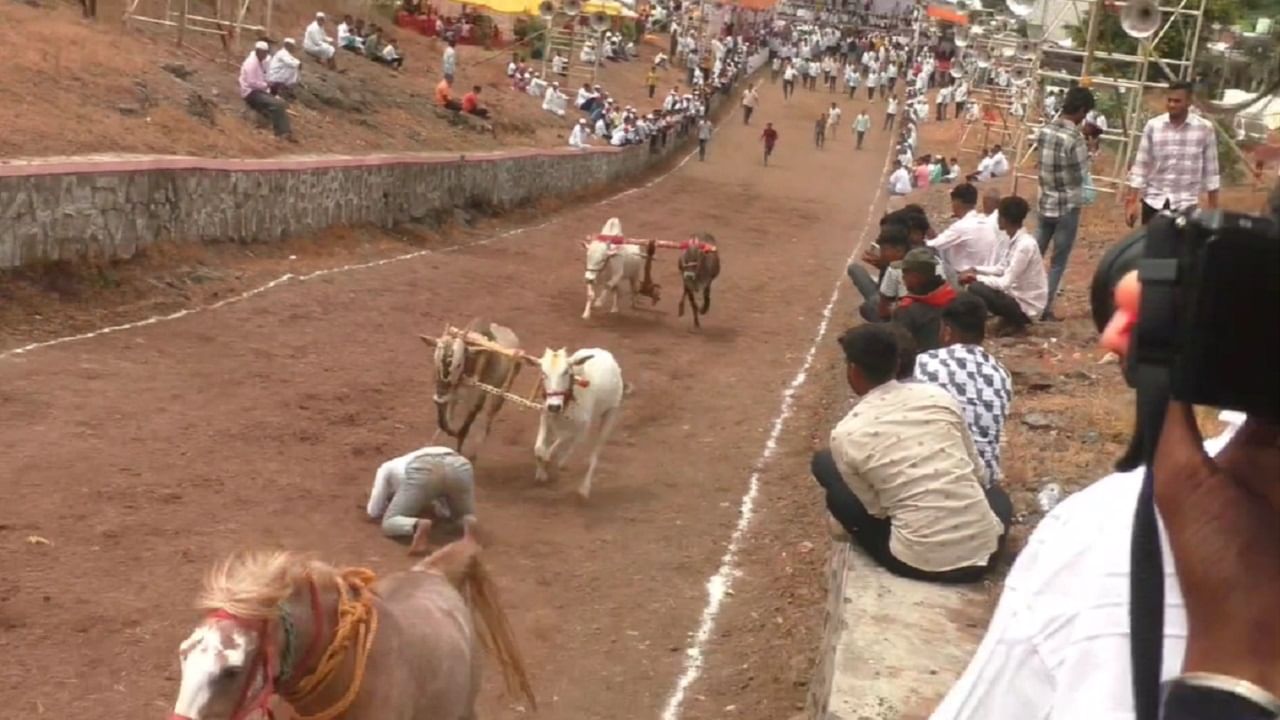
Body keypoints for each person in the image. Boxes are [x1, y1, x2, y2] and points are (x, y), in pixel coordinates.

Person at [811, 324, 1009, 583]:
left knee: (837, 493)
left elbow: (878, 511)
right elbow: (979, 474)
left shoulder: (846, 433)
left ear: (854, 370)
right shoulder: (938, 397)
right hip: (987, 552)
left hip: (921, 562)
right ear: (896, 364)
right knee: (997, 495)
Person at [913, 294, 1013, 488]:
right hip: (983, 481)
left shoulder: (924, 363)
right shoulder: (1001, 373)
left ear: (947, 331)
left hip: (935, 477)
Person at [1124, 81, 1220, 227]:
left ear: (1189, 102)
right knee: (1151, 241)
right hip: (1154, 202)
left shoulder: (1204, 129)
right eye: (1169, 100)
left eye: (1177, 101)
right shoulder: (1153, 126)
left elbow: (1211, 173)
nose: (1172, 104)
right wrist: (1132, 202)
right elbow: (1140, 166)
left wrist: (1213, 209)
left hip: (1186, 204)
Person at [1036, 85, 1095, 322]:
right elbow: (1081, 175)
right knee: (1057, 262)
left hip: (1045, 200)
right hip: (1067, 206)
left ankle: (1021, 297)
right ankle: (1044, 308)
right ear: (1081, 110)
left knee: (1033, 254)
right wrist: (1090, 150)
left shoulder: (1045, 130)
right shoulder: (1075, 139)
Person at [366, 446, 478, 556]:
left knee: (389, 522)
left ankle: (417, 525)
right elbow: (443, 511)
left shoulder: (386, 467)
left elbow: (373, 511)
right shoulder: (403, 461)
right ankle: (468, 523)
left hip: (423, 468)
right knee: (461, 515)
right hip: (460, 464)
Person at [960, 195, 1047, 335]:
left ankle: (1017, 323)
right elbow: (1001, 268)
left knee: (976, 288)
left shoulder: (1025, 246)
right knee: (976, 285)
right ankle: (1009, 320)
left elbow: (1004, 283)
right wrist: (975, 270)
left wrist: (975, 278)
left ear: (1004, 219)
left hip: (1027, 306)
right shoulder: (1015, 240)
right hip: (1019, 297)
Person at [927, 182, 1001, 275]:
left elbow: (931, 246)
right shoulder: (986, 221)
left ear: (957, 202)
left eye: (952, 201)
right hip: (987, 274)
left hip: (967, 277)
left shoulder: (961, 226)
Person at [893, 247, 958, 351]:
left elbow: (900, 348)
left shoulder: (906, 311)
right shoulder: (955, 298)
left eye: (905, 274)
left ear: (916, 277)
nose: (903, 278)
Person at [239, 40, 294, 141]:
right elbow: (251, 83)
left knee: (280, 103)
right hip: (251, 92)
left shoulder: (263, 60)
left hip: (259, 90)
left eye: (265, 53)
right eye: (262, 53)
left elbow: (266, 74)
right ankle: (281, 133)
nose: (264, 55)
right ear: (257, 51)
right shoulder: (251, 64)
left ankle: (286, 132)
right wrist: (266, 85)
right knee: (277, 104)